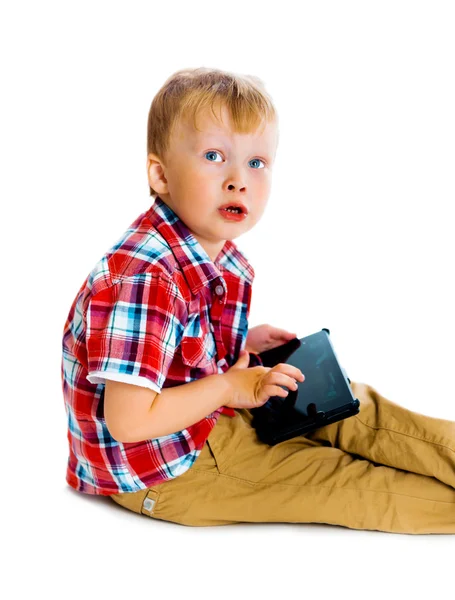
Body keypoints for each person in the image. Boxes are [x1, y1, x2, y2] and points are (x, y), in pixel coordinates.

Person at [61, 67, 455, 534]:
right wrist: (231, 387)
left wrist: (241, 343)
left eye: (256, 162)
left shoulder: (209, 252)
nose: (238, 180)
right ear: (161, 175)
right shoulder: (145, 277)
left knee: (352, 406)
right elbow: (127, 420)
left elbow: (166, 347)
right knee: (340, 481)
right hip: (161, 471)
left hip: (205, 418)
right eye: (213, 156)